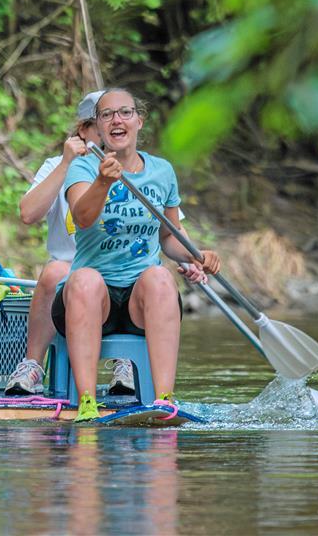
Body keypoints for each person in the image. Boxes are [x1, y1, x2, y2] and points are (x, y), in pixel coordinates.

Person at [57, 88, 221, 422]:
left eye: (125, 112)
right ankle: (87, 402)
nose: (117, 120)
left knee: (160, 276)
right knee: (86, 280)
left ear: (139, 121)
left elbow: (170, 236)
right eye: (107, 115)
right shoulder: (83, 167)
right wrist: (102, 181)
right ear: (98, 128)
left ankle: (164, 401)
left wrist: (194, 255)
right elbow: (83, 217)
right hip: (89, 299)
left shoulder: (161, 171)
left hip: (139, 302)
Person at [6, 91, 141, 396]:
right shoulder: (58, 165)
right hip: (69, 273)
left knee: (137, 275)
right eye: (101, 124)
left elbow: (165, 227)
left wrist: (191, 262)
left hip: (118, 273)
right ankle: (33, 365)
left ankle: (127, 365)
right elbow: (28, 213)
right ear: (84, 131)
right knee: (54, 271)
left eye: (117, 123)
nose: (110, 131)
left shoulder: (133, 166)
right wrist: (67, 164)